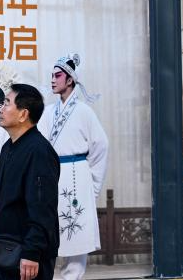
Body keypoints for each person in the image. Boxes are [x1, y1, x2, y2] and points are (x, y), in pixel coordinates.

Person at [37, 54, 109, 280]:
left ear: (70, 80)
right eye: (51, 75)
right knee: (51, 229)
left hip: (78, 175)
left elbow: (100, 146)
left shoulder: (84, 112)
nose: (53, 80)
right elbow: (35, 140)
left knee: (76, 231)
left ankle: (73, 277)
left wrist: (92, 184)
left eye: (57, 75)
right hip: (53, 175)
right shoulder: (48, 112)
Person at [0, 83, 60, 280]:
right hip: (2, 250)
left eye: (7, 103)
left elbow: (43, 208)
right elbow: (1, 205)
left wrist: (32, 252)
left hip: (27, 257)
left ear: (23, 114)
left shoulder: (39, 151)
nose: (1, 108)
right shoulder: (8, 147)